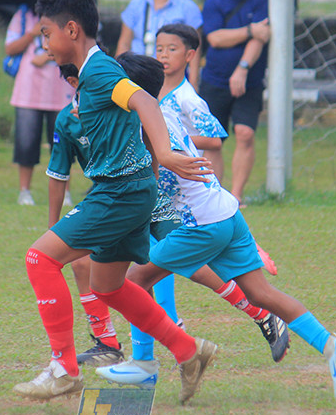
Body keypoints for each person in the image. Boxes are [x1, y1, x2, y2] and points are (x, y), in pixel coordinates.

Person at [13, 0, 217, 404]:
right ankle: (188, 350)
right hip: (130, 191)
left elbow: (143, 99)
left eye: (47, 34)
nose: (45, 44)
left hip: (120, 194)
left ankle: (64, 370)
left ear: (72, 30)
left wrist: (163, 151)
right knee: (108, 286)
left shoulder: (102, 71)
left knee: (39, 259)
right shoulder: (88, 74)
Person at [116, 52, 336, 402]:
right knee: (261, 294)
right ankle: (333, 345)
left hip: (201, 223)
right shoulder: (163, 111)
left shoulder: (146, 123)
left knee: (134, 281)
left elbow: (154, 175)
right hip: (227, 212)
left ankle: (142, 364)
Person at [98, 42, 290, 389]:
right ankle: (157, 337)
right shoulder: (132, 108)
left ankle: (153, 349)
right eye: (158, 47)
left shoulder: (179, 102)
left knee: (162, 274)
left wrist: (171, 149)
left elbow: (214, 142)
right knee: (159, 273)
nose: (163, 54)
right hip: (157, 201)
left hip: (175, 204)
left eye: (171, 48)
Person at [46, 63, 124, 367]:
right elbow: (57, 173)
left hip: (138, 190)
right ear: (73, 82)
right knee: (80, 262)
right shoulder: (67, 120)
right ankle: (106, 341)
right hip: (104, 195)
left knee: (168, 262)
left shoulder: (118, 106)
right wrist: (53, 227)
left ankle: (257, 308)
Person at [199, 0, 270, 205]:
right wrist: (250, 29)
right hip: (214, 81)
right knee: (213, 139)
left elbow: (260, 39)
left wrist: (242, 69)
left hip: (249, 82)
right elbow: (215, 38)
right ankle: (215, 196)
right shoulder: (213, 4)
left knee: (245, 133)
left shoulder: (262, 1)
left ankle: (236, 196)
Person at [5, 0, 74, 206]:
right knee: (26, 142)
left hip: (60, 89)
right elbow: (10, 48)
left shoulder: (69, 19)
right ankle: (25, 190)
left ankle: (65, 192)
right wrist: (33, 33)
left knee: (63, 142)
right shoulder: (24, 16)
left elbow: (74, 47)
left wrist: (46, 56)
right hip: (28, 90)